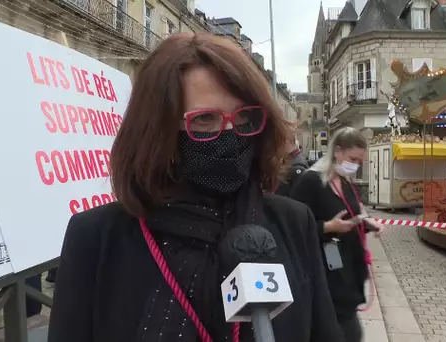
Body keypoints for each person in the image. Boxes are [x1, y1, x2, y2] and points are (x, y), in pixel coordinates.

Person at [48, 32, 344, 342]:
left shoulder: (293, 223)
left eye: (244, 116)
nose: (231, 133)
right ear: (157, 131)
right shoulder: (97, 237)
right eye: (204, 119)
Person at [290, 127, 383, 342]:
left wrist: (367, 223)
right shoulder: (310, 182)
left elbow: (353, 214)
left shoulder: (345, 183)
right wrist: (327, 227)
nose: (355, 166)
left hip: (348, 273)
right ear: (337, 151)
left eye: (360, 162)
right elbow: (294, 226)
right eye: (353, 159)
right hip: (325, 275)